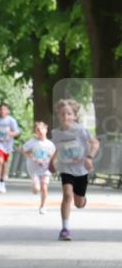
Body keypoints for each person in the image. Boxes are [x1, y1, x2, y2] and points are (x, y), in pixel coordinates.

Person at [50, 98, 99, 241]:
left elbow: (95, 144)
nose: (66, 117)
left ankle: (83, 200)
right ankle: (65, 229)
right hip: (66, 168)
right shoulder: (56, 133)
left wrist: (89, 157)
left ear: (74, 116)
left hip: (81, 170)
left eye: (69, 114)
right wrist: (51, 162)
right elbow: (54, 148)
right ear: (58, 116)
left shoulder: (81, 130)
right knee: (67, 195)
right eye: (62, 114)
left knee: (78, 203)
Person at [21, 121, 55, 214]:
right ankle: (35, 186)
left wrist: (52, 163)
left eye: (42, 129)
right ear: (35, 132)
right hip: (34, 169)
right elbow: (23, 150)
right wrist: (31, 156)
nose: (40, 131)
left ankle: (43, 206)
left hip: (46, 169)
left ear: (46, 129)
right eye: (38, 130)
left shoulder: (50, 144)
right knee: (37, 189)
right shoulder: (32, 142)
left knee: (44, 187)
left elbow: (53, 156)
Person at [0, 102, 20, 193]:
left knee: (5, 163)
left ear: (8, 111)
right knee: (0, 160)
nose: (2, 111)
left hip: (7, 144)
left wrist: (9, 133)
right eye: (1, 109)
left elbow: (17, 132)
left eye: (4, 109)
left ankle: (2, 182)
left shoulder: (11, 120)